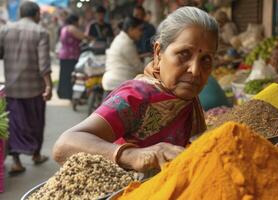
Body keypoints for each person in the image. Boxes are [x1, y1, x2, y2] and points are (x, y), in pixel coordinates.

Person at [53, 6, 219, 172]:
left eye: (205, 59)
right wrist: (130, 155)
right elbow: (64, 145)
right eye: (184, 54)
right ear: (158, 53)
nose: (195, 70)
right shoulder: (136, 97)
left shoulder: (187, 99)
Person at [0, 1, 52, 175]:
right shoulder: (41, 32)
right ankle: (36, 155)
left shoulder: (5, 30)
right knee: (36, 122)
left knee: (14, 125)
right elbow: (44, 63)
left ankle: (16, 162)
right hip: (34, 89)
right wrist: (49, 85)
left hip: (13, 89)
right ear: (37, 14)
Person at [102, 16, 144, 97]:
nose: (141, 33)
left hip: (111, 82)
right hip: (118, 84)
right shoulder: (126, 43)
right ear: (131, 29)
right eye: (139, 29)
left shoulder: (120, 38)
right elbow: (139, 67)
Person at [57, 14, 92, 100]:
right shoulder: (72, 28)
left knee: (65, 76)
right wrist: (93, 38)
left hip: (64, 55)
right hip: (71, 55)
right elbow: (83, 36)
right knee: (72, 76)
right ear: (75, 21)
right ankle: (70, 95)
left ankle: (65, 93)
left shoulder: (64, 28)